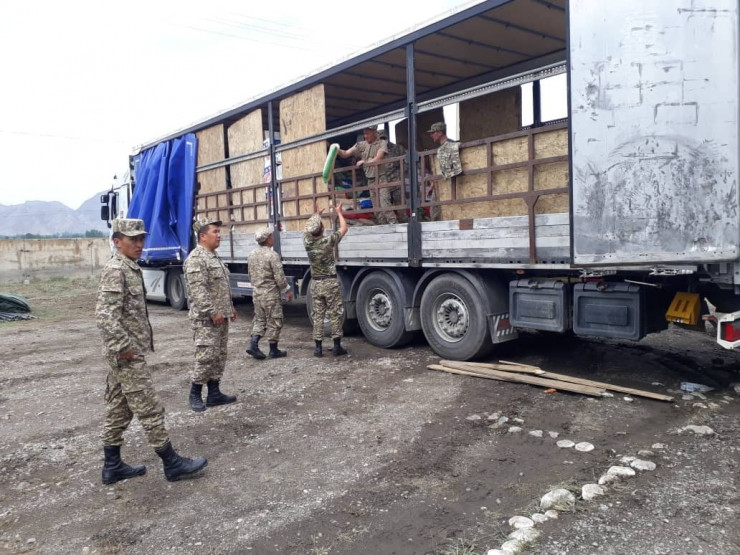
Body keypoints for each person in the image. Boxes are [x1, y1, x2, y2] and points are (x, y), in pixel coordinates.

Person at [96, 218, 207, 483]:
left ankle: (112, 466)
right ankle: (172, 463)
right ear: (117, 241)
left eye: (141, 239)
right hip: (127, 355)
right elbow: (105, 316)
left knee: (119, 409)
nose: (139, 244)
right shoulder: (116, 269)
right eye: (132, 239)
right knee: (150, 408)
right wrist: (123, 347)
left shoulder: (129, 266)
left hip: (126, 353)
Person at [183, 217, 237, 412]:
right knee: (205, 356)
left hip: (221, 317)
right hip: (206, 319)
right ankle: (195, 393)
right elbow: (198, 291)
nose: (219, 235)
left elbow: (220, 287)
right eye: (215, 232)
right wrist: (213, 312)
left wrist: (230, 308)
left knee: (219, 355)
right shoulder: (196, 259)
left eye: (219, 231)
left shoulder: (214, 257)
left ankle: (214, 393)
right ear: (203, 236)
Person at [303, 203, 349, 356]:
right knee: (335, 314)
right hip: (330, 283)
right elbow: (344, 228)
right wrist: (339, 212)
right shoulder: (328, 241)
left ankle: (318, 348)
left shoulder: (307, 242)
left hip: (315, 283)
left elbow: (307, 229)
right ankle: (337, 347)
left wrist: (316, 215)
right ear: (323, 229)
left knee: (318, 315)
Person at [246, 226, 294, 359]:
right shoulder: (272, 255)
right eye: (271, 236)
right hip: (270, 294)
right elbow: (279, 277)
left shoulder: (252, 254)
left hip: (257, 293)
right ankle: (273, 350)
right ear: (268, 239)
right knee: (275, 320)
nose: (273, 238)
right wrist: (287, 290)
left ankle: (253, 344)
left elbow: (250, 275)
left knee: (260, 319)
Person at [337, 126, 398, 225]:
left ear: (374, 133)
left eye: (367, 133)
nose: (365, 136)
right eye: (364, 133)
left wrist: (364, 162)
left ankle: (394, 225)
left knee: (385, 204)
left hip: (381, 178)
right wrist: (336, 149)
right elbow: (345, 154)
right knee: (376, 209)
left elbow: (379, 158)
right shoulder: (361, 145)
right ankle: (383, 227)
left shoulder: (381, 143)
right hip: (370, 180)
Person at [378, 129, 408, 222]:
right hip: (383, 183)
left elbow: (406, 161)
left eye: (384, 138)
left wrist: (402, 172)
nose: (383, 141)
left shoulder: (397, 148)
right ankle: (389, 224)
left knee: (401, 208)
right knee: (384, 207)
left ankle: (405, 224)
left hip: (396, 181)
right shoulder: (375, 150)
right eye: (380, 139)